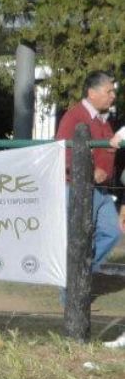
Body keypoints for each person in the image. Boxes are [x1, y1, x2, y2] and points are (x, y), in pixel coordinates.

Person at [55, 71, 125, 279]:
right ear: (92, 93)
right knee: (81, 238)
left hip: (100, 191)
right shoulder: (75, 117)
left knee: (111, 233)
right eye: (108, 91)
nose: (113, 96)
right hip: (79, 188)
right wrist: (91, 170)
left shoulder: (102, 120)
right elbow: (64, 151)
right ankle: (72, 287)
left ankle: (81, 276)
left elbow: (107, 149)